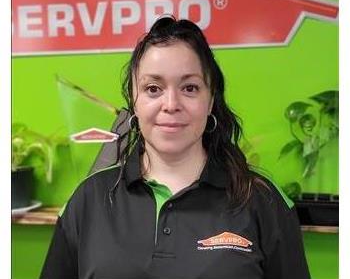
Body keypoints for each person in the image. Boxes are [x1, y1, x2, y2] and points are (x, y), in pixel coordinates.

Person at [40, 16, 310, 279]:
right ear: (134, 100)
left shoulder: (263, 200)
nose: (171, 104)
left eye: (190, 87)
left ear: (210, 99)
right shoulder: (89, 199)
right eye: (153, 88)